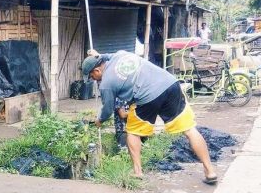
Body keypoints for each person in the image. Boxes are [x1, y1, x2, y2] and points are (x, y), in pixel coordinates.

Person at [82, 49, 218, 184]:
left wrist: (100, 120)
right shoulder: (120, 54)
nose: (93, 79)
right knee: (189, 129)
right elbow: (106, 55)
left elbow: (107, 109)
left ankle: (137, 172)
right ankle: (210, 171)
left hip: (147, 95)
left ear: (97, 71)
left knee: (132, 132)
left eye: (91, 76)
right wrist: (98, 54)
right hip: (170, 85)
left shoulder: (106, 84)